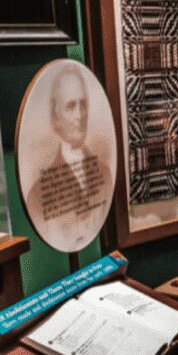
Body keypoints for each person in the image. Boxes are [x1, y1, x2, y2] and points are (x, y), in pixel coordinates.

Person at [25, 65, 112, 249]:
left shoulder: (105, 174)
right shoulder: (37, 194)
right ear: (56, 117)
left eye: (83, 105)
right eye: (71, 106)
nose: (80, 115)